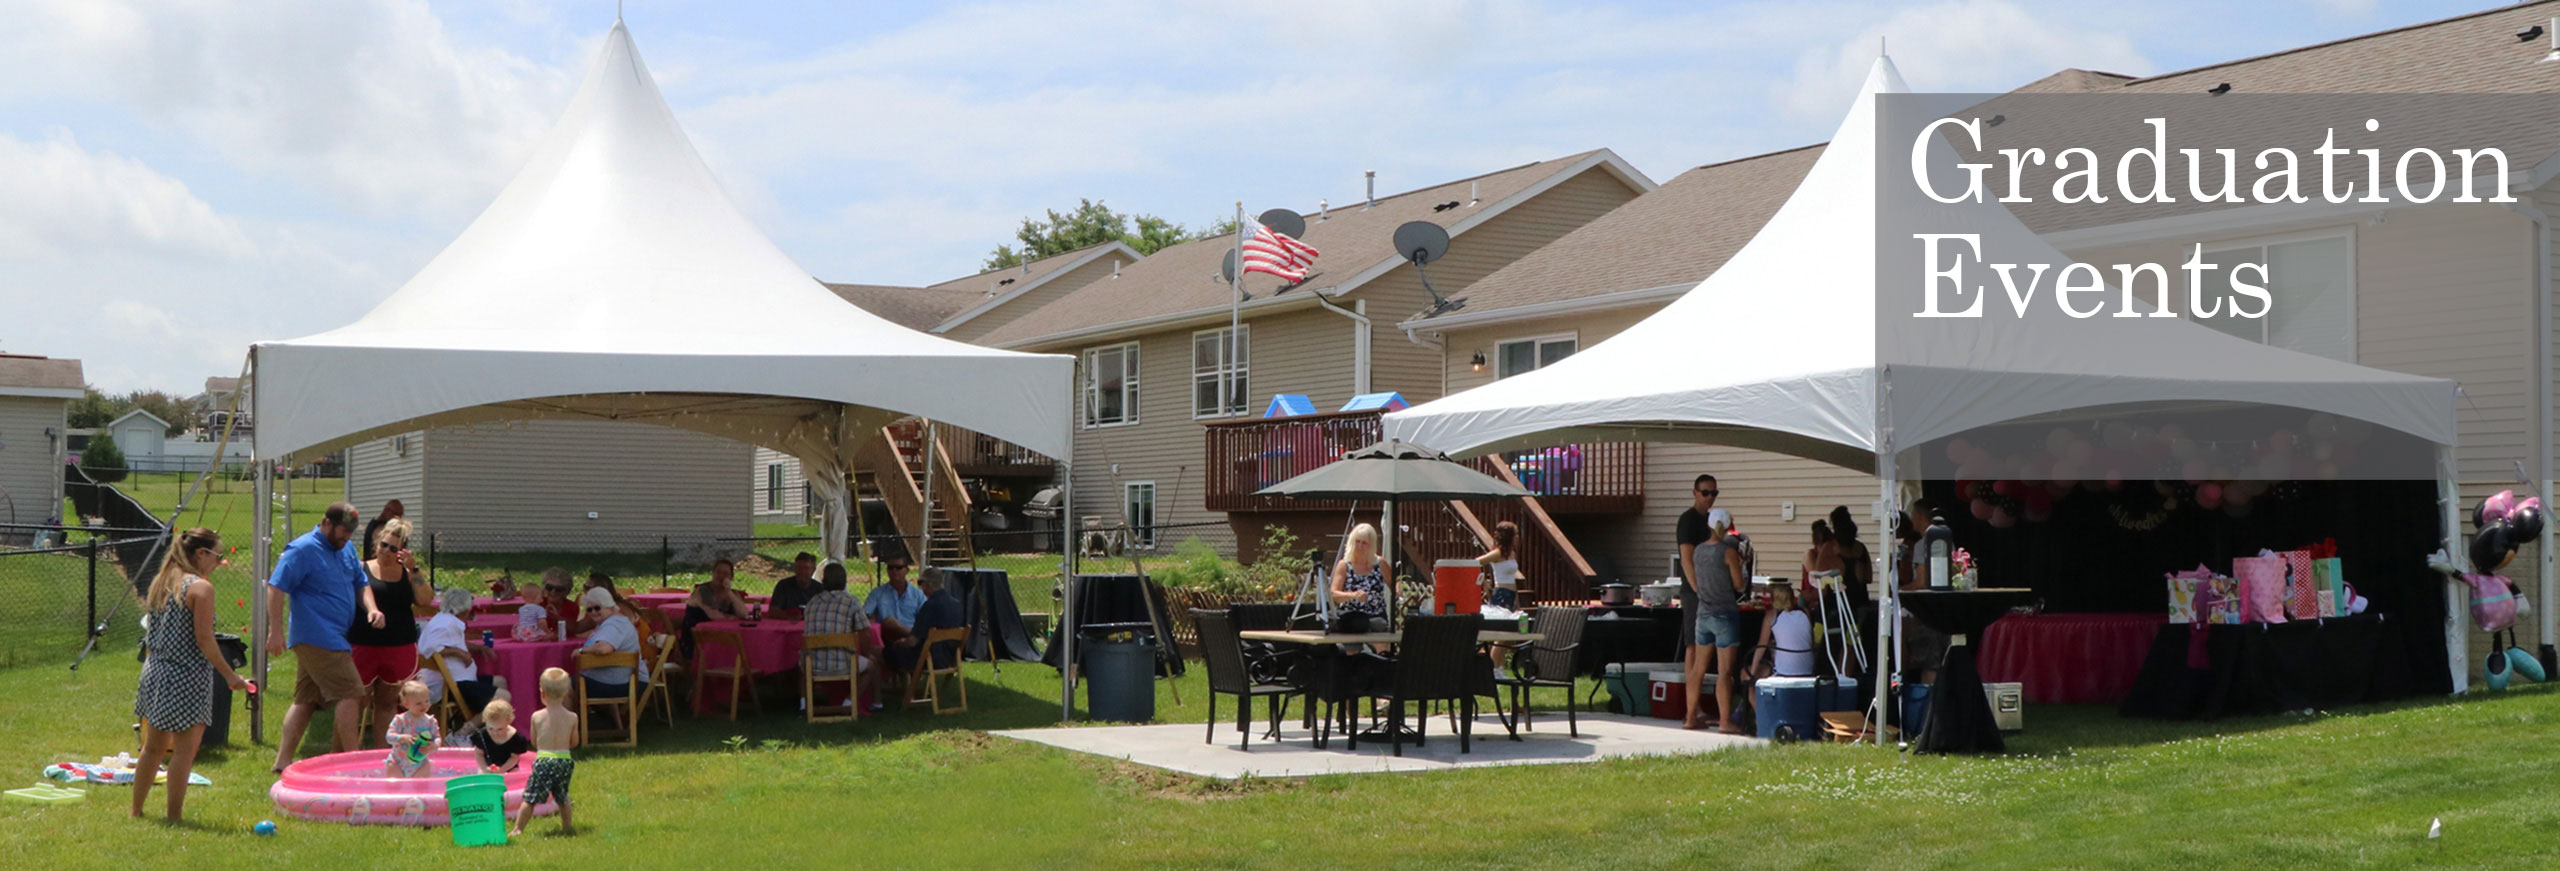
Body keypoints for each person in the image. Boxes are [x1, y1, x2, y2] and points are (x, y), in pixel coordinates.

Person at [131, 527, 249, 821]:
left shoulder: (163, 580)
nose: (219, 563)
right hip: (186, 675)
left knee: (152, 748)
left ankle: (136, 811)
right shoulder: (201, 588)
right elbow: (205, 639)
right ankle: (174, 816)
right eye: (217, 556)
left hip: (155, 671)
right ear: (201, 553)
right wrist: (230, 675)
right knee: (184, 751)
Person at [267, 502, 378, 772]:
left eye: (350, 533)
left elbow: (361, 583)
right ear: (326, 522)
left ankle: (282, 762)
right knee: (352, 693)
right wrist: (276, 631)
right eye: (343, 531)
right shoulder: (303, 549)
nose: (347, 537)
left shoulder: (346, 549)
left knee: (306, 700)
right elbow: (276, 587)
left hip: (334, 634)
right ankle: (352, 761)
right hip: (316, 634)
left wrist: (372, 608)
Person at [348, 518, 435, 748]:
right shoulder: (361, 567)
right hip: (362, 643)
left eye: (393, 548)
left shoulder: (407, 573)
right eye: (384, 545)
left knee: (387, 703)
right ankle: (347, 752)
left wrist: (413, 568)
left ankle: (382, 753)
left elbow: (426, 599)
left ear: (402, 551)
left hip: (398, 644)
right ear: (376, 542)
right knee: (357, 701)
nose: (386, 551)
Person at [1681, 508, 1748, 733]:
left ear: (1709, 525)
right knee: (1724, 673)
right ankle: (1725, 722)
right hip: (1725, 613)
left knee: (1698, 669)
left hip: (1703, 613)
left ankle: (1690, 717)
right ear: (1729, 525)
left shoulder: (1698, 551)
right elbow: (1739, 584)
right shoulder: (1728, 552)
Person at [512, 668, 579, 837]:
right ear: (566, 694)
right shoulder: (572, 717)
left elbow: (534, 741)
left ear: (542, 693)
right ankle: (567, 827)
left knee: (530, 797)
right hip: (564, 760)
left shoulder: (537, 716)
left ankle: (518, 829)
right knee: (563, 796)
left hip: (544, 760)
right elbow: (574, 742)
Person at [416, 587, 502, 711]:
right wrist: (459, 653)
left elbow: (453, 643)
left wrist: (479, 648)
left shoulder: (445, 619)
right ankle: (469, 728)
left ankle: (484, 724)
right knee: (502, 697)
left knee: (500, 681)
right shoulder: (446, 625)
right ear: (466, 609)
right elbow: (431, 649)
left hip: (456, 680)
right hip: (448, 685)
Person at [803, 583, 878, 710]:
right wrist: (867, 653)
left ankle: (804, 704)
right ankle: (849, 702)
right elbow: (865, 631)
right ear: (844, 583)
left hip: (812, 665)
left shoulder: (811, 602)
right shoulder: (852, 602)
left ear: (823, 581)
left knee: (801, 661)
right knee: (871, 666)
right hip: (845, 664)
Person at [575, 587, 646, 711]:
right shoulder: (612, 622)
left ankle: (569, 725)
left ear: (609, 605)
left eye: (597, 608)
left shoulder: (614, 624)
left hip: (621, 684)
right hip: (620, 680)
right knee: (571, 681)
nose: (593, 612)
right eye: (589, 609)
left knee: (562, 685)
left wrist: (581, 651)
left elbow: (604, 648)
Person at [890, 568, 967, 673]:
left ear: (929, 585)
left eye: (921, 583)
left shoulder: (929, 606)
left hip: (929, 659)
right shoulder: (957, 604)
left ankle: (888, 687)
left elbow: (913, 642)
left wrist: (899, 643)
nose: (920, 588)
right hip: (950, 658)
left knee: (886, 653)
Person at [1328, 523, 1391, 634]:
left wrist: (1398, 588)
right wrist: (1353, 595)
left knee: (1381, 638)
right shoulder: (1344, 565)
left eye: (1364, 543)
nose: (1360, 546)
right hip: (1352, 618)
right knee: (1353, 645)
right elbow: (1333, 594)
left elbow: (1394, 582)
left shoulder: (1380, 563)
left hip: (1377, 616)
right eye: (1357, 541)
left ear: (1371, 545)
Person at [1752, 580, 1817, 679]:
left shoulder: (1771, 616)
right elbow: (1811, 642)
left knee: (1748, 674)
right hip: (1807, 669)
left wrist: (1752, 673)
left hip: (1784, 672)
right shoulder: (1805, 612)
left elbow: (1762, 646)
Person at [864, 553, 928, 649]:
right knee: (889, 622)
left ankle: (914, 638)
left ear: (907, 570)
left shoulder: (918, 595)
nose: (894, 571)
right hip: (888, 641)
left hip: (912, 644)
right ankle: (914, 636)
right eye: (890, 567)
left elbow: (925, 619)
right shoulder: (877, 593)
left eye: (898, 567)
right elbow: (864, 615)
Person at [381, 680, 440, 777]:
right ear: (406, 704)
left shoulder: (430, 721)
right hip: (397, 762)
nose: (424, 705)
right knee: (394, 789)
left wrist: (433, 746)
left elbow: (437, 738)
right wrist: (402, 737)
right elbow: (389, 737)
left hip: (421, 763)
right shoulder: (400, 720)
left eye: (427, 701)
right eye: (418, 703)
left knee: (421, 790)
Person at [1829, 505, 1874, 609]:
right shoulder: (1860, 547)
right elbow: (1868, 577)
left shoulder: (1831, 548)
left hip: (1839, 602)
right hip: (1861, 599)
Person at [469, 699, 530, 773]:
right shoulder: (482, 735)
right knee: (481, 776)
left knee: (514, 776)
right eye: (490, 728)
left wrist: (501, 770)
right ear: (485, 721)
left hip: (509, 768)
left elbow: (514, 758)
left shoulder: (516, 738)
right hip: (488, 767)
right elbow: (478, 754)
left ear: (509, 722)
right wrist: (484, 768)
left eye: (499, 729)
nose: (495, 732)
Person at [1475, 521, 1523, 610]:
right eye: (1515, 534)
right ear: (1508, 537)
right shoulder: (1497, 553)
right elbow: (1475, 562)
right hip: (1501, 593)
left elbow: (1512, 579)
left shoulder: (1512, 553)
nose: (1517, 537)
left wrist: (1518, 604)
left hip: (1512, 594)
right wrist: (1483, 581)